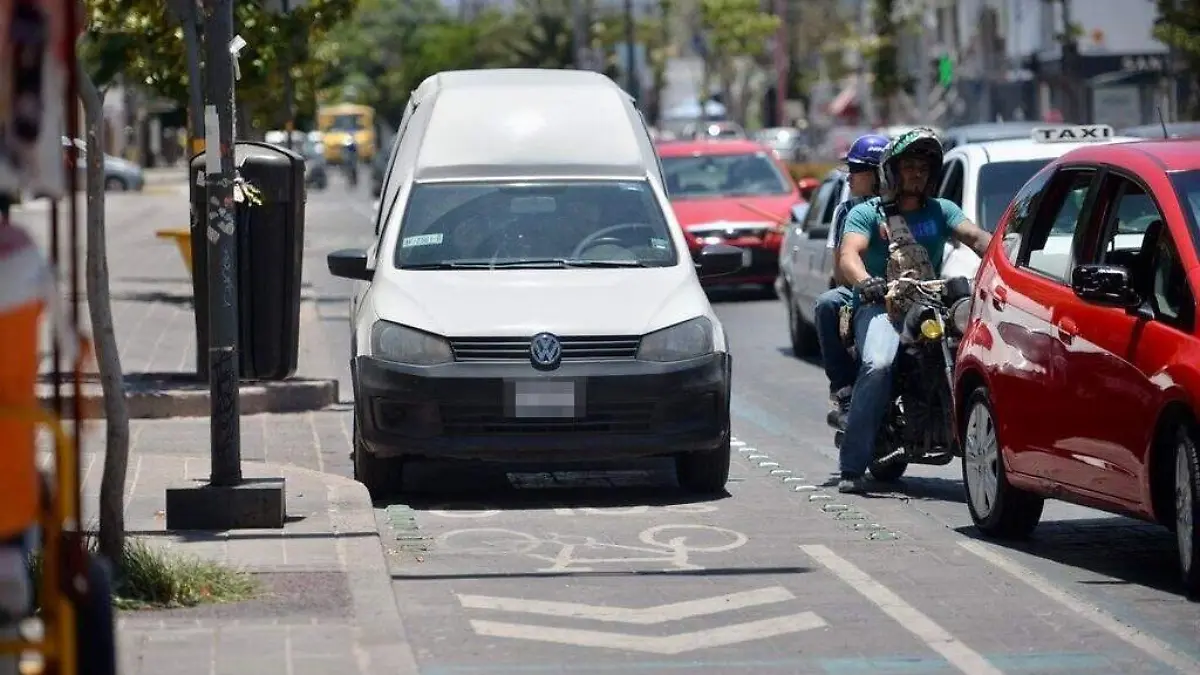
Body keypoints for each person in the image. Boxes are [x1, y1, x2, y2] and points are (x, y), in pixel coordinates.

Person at [834, 128, 993, 494]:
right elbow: (848, 255)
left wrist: (1005, 258)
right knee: (879, 365)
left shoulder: (942, 211)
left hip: (930, 304)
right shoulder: (865, 213)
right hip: (881, 307)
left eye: (923, 167)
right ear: (891, 171)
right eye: (909, 166)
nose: (917, 173)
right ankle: (853, 465)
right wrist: (865, 282)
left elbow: (975, 237)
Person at [812, 133, 889, 430]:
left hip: (911, 290)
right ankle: (844, 392)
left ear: (878, 174)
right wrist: (868, 282)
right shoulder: (846, 211)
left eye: (855, 171)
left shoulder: (911, 206)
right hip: (863, 291)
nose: (849, 179)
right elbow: (841, 271)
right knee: (827, 303)